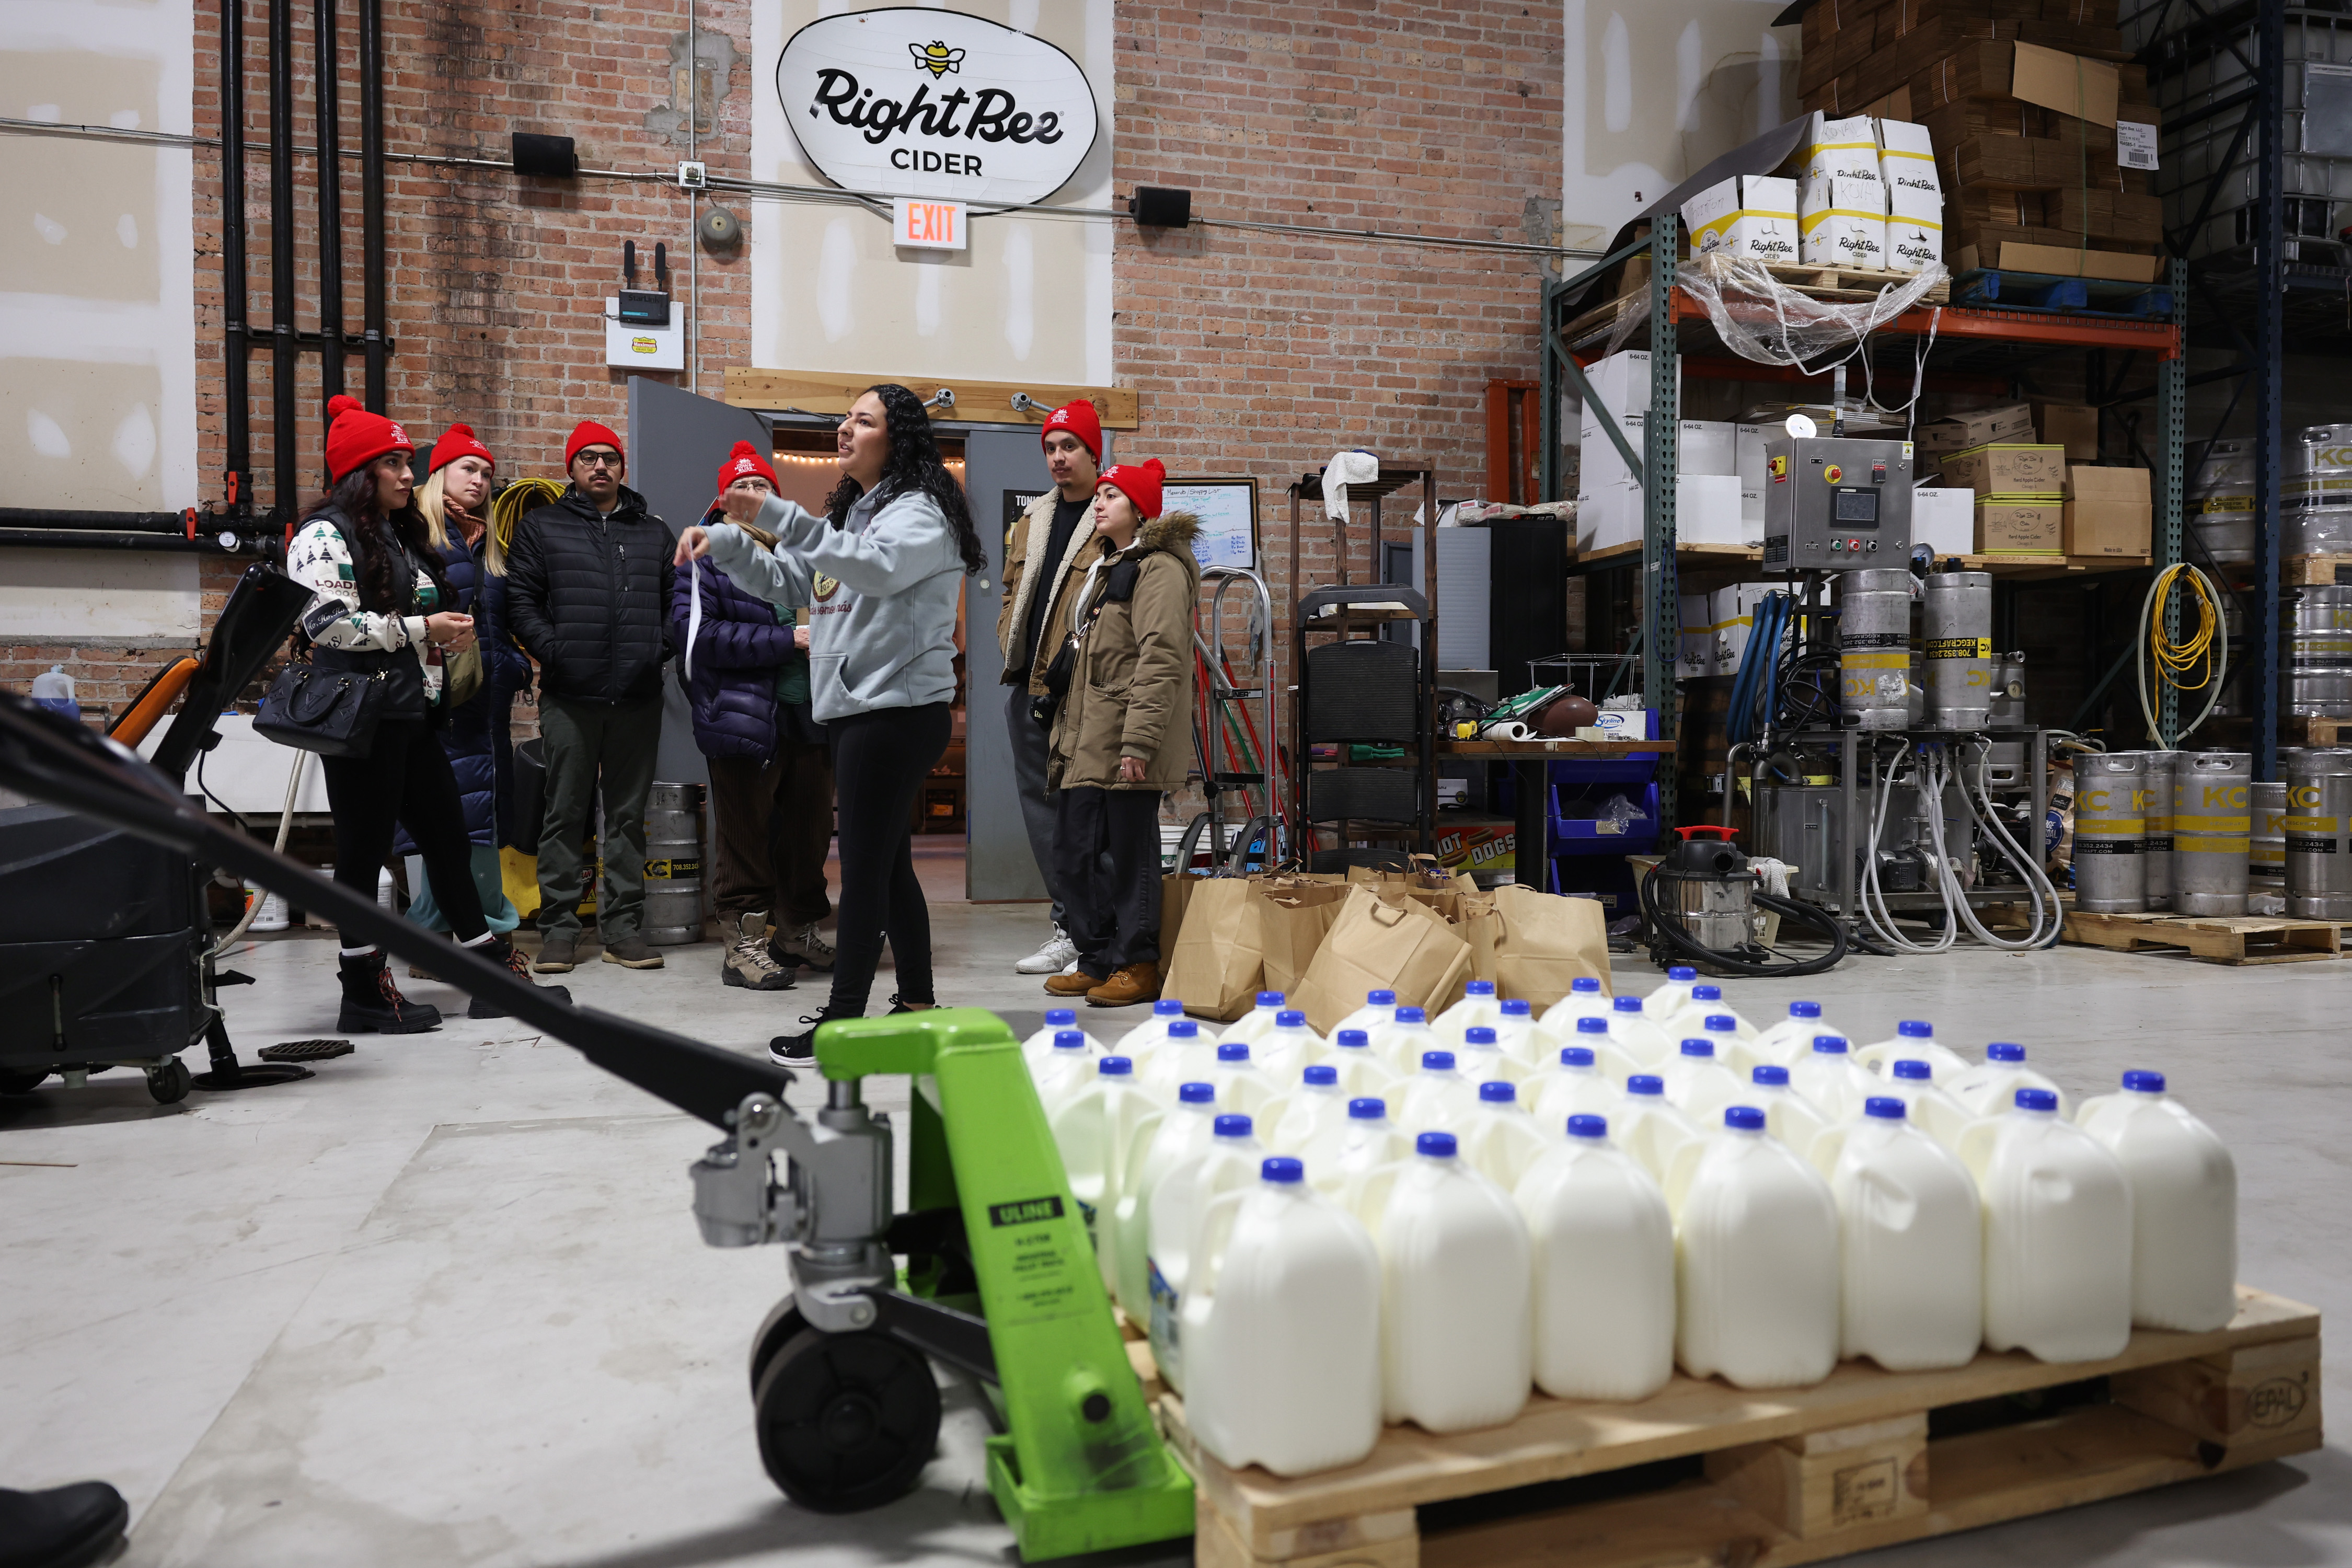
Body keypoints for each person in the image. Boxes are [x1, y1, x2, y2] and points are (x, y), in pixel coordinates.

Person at [674, 385, 982, 1066]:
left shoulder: (920, 513)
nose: (845, 429)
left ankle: (843, 1018)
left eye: (862, 421)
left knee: (866, 870)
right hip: (857, 709)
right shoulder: (856, 514)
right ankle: (919, 1002)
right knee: (890, 865)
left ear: (895, 438)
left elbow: (875, 572)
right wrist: (724, 539)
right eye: (845, 418)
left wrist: (778, 513)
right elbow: (791, 584)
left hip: (895, 711)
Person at [286, 396, 564, 1032]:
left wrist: (443, 640)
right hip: (359, 719)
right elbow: (327, 626)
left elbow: (411, 621)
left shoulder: (395, 532)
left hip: (410, 714)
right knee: (363, 851)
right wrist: (422, 628)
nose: (409, 473)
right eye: (392, 463)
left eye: (407, 462)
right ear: (360, 471)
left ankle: (489, 973)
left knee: (447, 840)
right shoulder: (323, 534)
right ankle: (361, 991)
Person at [503, 420, 676, 973]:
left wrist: (657, 649)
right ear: (571, 468)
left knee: (627, 817)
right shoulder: (542, 528)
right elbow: (521, 601)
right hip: (571, 697)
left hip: (638, 696)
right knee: (564, 812)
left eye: (609, 458)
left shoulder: (654, 533)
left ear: (623, 467)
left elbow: (680, 602)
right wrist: (555, 652)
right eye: (587, 458)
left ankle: (623, 928)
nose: (599, 466)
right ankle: (559, 929)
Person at [671, 441, 837, 991]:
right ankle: (744, 947)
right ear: (721, 502)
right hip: (741, 720)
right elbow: (698, 638)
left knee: (808, 835)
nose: (752, 496)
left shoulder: (798, 558)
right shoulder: (704, 557)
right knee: (745, 840)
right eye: (741, 488)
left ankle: (796, 934)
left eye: (762, 487)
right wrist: (787, 639)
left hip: (809, 716)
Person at [1044, 459, 1198, 1007]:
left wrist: (1140, 742)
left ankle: (1138, 963)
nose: (1100, 503)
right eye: (1100, 495)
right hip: (1089, 738)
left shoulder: (1160, 570)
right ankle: (1097, 958)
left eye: (1112, 495)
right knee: (1075, 852)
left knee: (1128, 856)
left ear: (1140, 509)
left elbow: (1161, 658)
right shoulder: (1107, 568)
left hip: (1125, 739)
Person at [393, 422, 531, 953]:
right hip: (440, 706)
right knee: (452, 823)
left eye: (487, 474)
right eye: (468, 469)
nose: (480, 481)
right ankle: (480, 935)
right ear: (438, 475)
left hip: (485, 707)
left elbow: (498, 623)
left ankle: (442, 937)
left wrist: (513, 665)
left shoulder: (487, 546)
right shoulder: (419, 541)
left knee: (479, 819)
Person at [995, 399, 1104, 977]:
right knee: (1042, 815)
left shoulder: (1114, 512)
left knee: (1085, 813)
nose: (1059, 458)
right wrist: (1005, 638)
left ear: (1094, 452)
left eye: (1070, 447)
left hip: (1085, 691)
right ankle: (1067, 927)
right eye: (1051, 448)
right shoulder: (1033, 518)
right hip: (1028, 686)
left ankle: (1098, 930)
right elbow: (1014, 592)